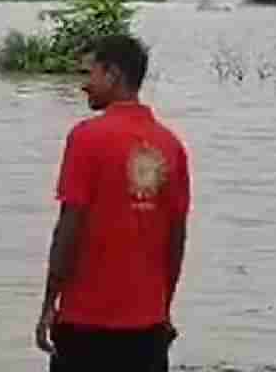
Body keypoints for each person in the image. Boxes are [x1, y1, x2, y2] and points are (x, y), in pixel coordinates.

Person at [35, 35, 191, 372]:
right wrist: (164, 308)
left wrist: (49, 303)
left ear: (113, 75)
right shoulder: (172, 145)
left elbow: (69, 226)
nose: (83, 85)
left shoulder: (87, 137)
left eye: (89, 74)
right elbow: (176, 239)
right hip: (148, 325)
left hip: (86, 321)